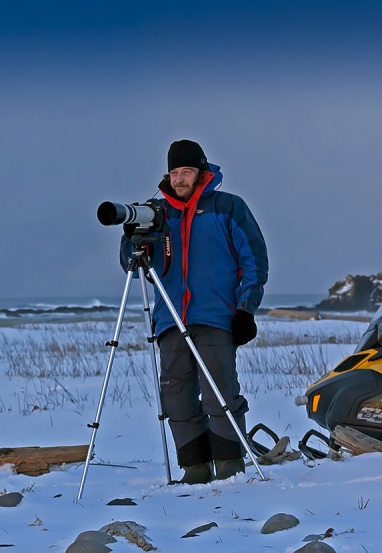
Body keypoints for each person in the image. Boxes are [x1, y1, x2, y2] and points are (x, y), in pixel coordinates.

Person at [120, 139, 268, 484]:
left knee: (220, 395)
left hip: (216, 317)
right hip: (171, 319)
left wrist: (246, 309)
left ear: (201, 172)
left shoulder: (229, 207)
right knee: (177, 398)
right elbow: (132, 266)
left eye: (186, 171)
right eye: (174, 173)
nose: (180, 179)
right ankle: (194, 470)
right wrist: (131, 239)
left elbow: (254, 262)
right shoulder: (155, 214)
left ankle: (230, 470)